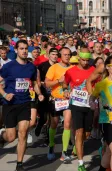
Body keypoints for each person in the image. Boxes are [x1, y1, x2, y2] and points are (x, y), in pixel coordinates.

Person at [0, 40, 44, 171]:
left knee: (23, 132)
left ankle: (19, 164)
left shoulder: (31, 67)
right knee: (11, 136)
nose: (24, 51)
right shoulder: (8, 67)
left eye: (26, 49)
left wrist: (39, 93)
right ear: (16, 50)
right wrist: (4, 94)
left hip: (25, 102)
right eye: (21, 49)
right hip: (10, 104)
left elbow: (34, 83)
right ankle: (2, 136)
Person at [63, 49, 95, 171]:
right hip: (76, 104)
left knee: (86, 134)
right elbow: (65, 84)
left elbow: (98, 84)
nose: (85, 62)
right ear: (78, 59)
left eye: (87, 60)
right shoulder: (71, 71)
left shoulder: (93, 70)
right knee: (79, 132)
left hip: (89, 105)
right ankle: (81, 163)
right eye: (83, 60)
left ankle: (79, 143)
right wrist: (66, 90)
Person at [44, 47, 72, 162]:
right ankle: (51, 146)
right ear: (60, 55)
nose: (67, 56)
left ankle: (64, 152)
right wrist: (58, 81)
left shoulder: (72, 68)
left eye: (69, 54)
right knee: (54, 124)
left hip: (68, 100)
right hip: (55, 100)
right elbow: (47, 84)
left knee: (67, 124)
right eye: (65, 54)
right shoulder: (54, 68)